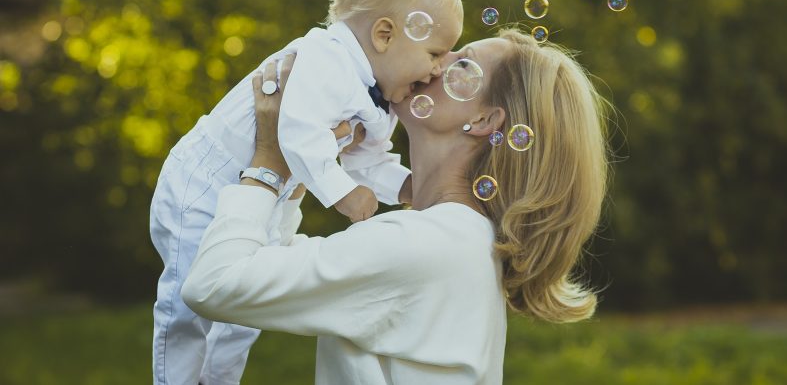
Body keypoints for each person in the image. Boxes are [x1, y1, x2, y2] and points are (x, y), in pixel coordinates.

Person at [182, 27, 611, 384]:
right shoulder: (453, 240)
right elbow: (265, 262)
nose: (437, 63)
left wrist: (269, 163)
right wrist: (299, 169)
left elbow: (216, 283)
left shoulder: (425, 246)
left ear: (483, 121)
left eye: (462, 63)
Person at [150, 0, 464, 385]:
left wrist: (409, 187)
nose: (437, 70)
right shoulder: (326, 59)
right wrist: (342, 193)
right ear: (385, 35)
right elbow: (296, 130)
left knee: (244, 308)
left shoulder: (382, 99)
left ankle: (217, 380)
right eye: (435, 53)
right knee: (187, 300)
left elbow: (368, 161)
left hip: (266, 195)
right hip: (204, 180)